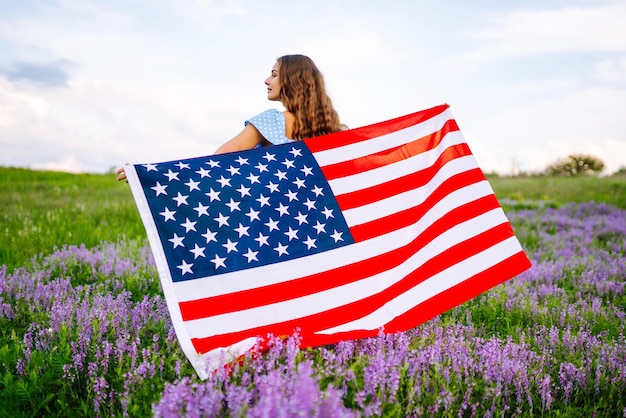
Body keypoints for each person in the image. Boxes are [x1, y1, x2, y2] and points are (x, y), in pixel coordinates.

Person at [117, 54, 342, 181]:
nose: (266, 81)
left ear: (292, 81)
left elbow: (215, 162)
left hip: (274, 225)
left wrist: (148, 175)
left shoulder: (272, 121)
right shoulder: (333, 132)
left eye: (273, 75)